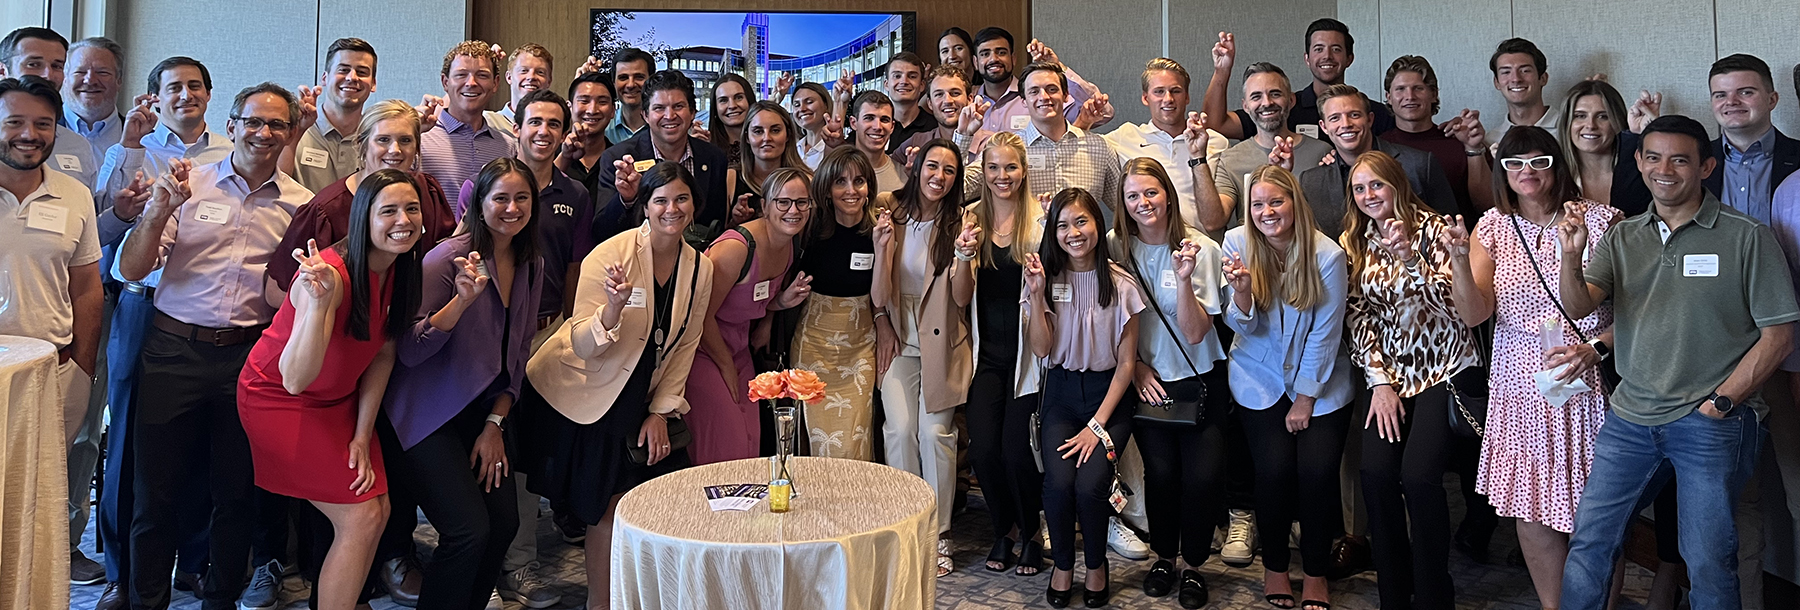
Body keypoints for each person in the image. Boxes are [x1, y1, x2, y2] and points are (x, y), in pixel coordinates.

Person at [1557, 115, 1797, 610]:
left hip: (1709, 423)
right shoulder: (1624, 237)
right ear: (1639, 164)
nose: (1664, 170)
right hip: (1629, 417)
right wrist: (1570, 255)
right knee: (1590, 545)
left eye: (1680, 159)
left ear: (1706, 166)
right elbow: (1581, 306)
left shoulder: (1746, 236)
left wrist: (1721, 403)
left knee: (1708, 559)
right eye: (1653, 157)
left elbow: (1779, 335)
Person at [116, 82, 312, 610]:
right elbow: (131, 269)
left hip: (248, 361)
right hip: (172, 351)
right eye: (253, 121)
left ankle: (220, 600)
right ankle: (146, 601)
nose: (264, 132)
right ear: (232, 126)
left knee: (236, 496)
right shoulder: (187, 183)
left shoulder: (302, 205)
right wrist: (158, 209)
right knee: (155, 495)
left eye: (276, 124)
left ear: (291, 132)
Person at [1440, 126, 1619, 610]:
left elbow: (1640, 312)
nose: (1527, 173)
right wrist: (1458, 260)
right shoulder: (1493, 226)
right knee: (1532, 507)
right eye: (1515, 164)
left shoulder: (1601, 221)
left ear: (1558, 165)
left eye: (1539, 162)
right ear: (1502, 171)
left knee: (1597, 516)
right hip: (1518, 382)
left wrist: (1598, 347)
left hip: (1584, 380)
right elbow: (1475, 313)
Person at [519, 161, 711, 610]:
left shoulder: (699, 267)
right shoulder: (611, 255)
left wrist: (661, 412)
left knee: (664, 497)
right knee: (608, 506)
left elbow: (686, 345)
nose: (671, 209)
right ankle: (599, 604)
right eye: (660, 200)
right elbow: (583, 344)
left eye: (681, 199)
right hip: (590, 391)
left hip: (645, 392)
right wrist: (612, 310)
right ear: (644, 205)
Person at [236, 169, 423, 610]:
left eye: (411, 209)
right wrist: (317, 304)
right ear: (363, 219)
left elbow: (382, 354)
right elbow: (295, 378)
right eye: (389, 211)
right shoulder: (328, 277)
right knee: (360, 518)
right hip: (279, 400)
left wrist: (362, 433)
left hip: (338, 402)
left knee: (377, 512)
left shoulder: (401, 267)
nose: (404, 220)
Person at [381, 158, 543, 610]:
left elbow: (519, 352)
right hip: (425, 415)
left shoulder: (532, 262)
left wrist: (496, 423)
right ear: (479, 203)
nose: (511, 208)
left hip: (485, 412)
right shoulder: (445, 259)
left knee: (502, 524)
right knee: (467, 530)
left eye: (522, 198)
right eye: (501, 198)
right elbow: (409, 350)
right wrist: (459, 303)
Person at [455, 89, 591, 609]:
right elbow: (463, 250)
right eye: (535, 121)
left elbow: (575, 265)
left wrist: (571, 327)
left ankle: (519, 564)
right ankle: (483, 564)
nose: (544, 132)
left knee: (523, 450)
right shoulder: (483, 183)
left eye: (555, 124)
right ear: (518, 125)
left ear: (563, 132)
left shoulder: (574, 193)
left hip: (547, 332)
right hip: (487, 329)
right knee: (484, 437)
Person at [1340, 151, 1482, 610]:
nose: (1368, 197)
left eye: (1376, 186)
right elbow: (1358, 317)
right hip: (1391, 376)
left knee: (1419, 478)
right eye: (1359, 189)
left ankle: (1435, 593)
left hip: (1446, 367)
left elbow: (1458, 311)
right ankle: (1394, 594)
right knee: (1375, 473)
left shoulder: (1437, 229)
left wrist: (1411, 261)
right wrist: (1379, 382)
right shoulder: (1354, 239)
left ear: (1397, 183)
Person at [1221, 165, 1352, 610]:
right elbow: (1241, 324)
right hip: (1258, 379)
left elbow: (1325, 334)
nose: (1267, 211)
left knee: (1315, 476)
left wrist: (1305, 398)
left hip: (1319, 385)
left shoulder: (1327, 255)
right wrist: (1241, 294)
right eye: (1258, 204)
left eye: (1276, 201)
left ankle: (1315, 573)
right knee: (1273, 474)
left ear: (1295, 203)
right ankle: (1275, 568)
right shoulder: (1237, 244)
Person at [0, 74, 104, 591]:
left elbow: (86, 286)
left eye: (42, 123)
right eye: (15, 121)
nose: (29, 133)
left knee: (35, 495)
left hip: (52, 370)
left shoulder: (75, 194)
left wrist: (83, 368)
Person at [1111, 159, 1229, 608]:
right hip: (1148, 382)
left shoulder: (1200, 248)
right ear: (1122, 204)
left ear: (1168, 194)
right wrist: (1137, 366)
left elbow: (1196, 331)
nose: (1144, 204)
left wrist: (1183, 280)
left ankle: (1195, 565)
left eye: (1151, 193)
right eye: (1133, 196)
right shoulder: (1115, 249)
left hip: (1199, 381)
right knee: (1160, 476)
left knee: (1201, 480)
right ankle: (1165, 556)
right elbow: (1109, 322)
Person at [1023, 187, 1144, 608]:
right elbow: (1041, 349)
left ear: (1098, 223)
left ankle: (1096, 565)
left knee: (1091, 486)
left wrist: (1097, 426)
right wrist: (1037, 296)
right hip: (1059, 395)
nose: (1073, 233)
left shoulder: (1122, 283)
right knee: (1058, 484)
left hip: (1107, 398)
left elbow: (1128, 366)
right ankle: (1062, 564)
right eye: (1063, 225)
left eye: (1081, 222)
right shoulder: (1046, 278)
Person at [872, 139, 973, 577]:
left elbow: (962, 296)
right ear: (916, 166)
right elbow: (878, 295)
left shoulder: (963, 220)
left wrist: (965, 257)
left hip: (942, 338)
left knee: (935, 434)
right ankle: (905, 524)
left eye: (949, 171)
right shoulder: (887, 210)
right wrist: (881, 250)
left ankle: (940, 532)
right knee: (898, 431)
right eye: (933, 166)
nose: (939, 177)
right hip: (898, 334)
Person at [683, 167, 813, 465]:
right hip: (702, 353)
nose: (793, 210)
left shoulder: (789, 242)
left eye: (801, 202)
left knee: (750, 442)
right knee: (723, 445)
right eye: (783, 202)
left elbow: (758, 299)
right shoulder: (736, 248)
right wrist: (726, 365)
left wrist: (781, 302)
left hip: (740, 350)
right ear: (764, 205)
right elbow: (698, 313)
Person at [959, 132, 1046, 576]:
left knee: (1016, 452)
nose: (1001, 176)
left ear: (1024, 170)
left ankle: (1031, 531)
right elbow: (960, 297)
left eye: (1010, 167)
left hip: (1029, 358)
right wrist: (961, 257)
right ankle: (1004, 528)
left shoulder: (1041, 220)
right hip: (987, 356)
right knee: (983, 452)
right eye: (993, 167)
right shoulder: (970, 220)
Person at [269, 100, 458, 298]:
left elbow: (445, 259)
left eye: (405, 140)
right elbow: (275, 293)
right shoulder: (327, 209)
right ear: (362, 144)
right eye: (383, 140)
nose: (395, 150)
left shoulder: (429, 193)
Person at [790, 147, 889, 460]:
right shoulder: (810, 229)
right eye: (840, 182)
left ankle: (857, 508)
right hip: (814, 344)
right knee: (817, 440)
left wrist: (882, 249)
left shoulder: (879, 229)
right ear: (826, 189)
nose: (851, 191)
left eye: (859, 181)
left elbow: (881, 299)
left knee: (854, 439)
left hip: (860, 345)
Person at [96, 56, 234, 244]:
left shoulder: (230, 153)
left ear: (208, 94)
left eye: (194, 86)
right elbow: (103, 224)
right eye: (175, 88)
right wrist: (131, 144)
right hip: (143, 270)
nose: (186, 96)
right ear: (154, 99)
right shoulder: (126, 152)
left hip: (209, 266)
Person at [968, 62, 1123, 226]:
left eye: (1052, 89)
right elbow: (963, 188)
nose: (1044, 97)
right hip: (1027, 248)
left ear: (1065, 96)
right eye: (1034, 91)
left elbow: (1123, 207)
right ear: (1023, 101)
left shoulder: (1099, 147)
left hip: (1081, 246)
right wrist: (963, 134)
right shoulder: (1008, 149)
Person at [1295, 85, 1459, 238]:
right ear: (1324, 127)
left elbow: (1450, 232)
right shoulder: (1311, 183)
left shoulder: (1420, 165)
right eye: (1335, 118)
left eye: (1354, 115)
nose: (1345, 124)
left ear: (1370, 119)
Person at [589, 69, 730, 242]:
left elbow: (716, 225)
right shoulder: (617, 158)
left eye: (678, 106)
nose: (670, 116)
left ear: (692, 112)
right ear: (645, 115)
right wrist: (626, 199)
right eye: (659, 108)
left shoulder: (714, 158)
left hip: (696, 260)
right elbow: (601, 232)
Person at [1201, 21, 1394, 140]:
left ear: (1349, 59)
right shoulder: (1283, 107)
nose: (1327, 56)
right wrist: (1222, 70)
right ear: (1307, 59)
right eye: (1318, 49)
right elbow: (1215, 125)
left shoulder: (1373, 112)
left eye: (1336, 49)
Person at [1103, 58, 1231, 233]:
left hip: (1206, 252)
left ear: (1187, 97)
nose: (1168, 99)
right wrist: (1063, 70)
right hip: (1147, 253)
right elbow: (1081, 143)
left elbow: (1217, 220)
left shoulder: (1216, 142)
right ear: (1145, 98)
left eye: (1175, 91)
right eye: (1159, 92)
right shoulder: (1124, 137)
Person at [1206, 60, 1332, 232]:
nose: (1266, 102)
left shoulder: (1322, 152)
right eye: (1256, 96)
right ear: (1246, 106)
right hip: (1254, 257)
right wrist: (1196, 158)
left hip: (1312, 255)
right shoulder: (1231, 159)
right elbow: (1214, 221)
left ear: (1291, 100)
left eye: (1275, 94)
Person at [1381, 55, 1496, 216]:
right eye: (1400, 89)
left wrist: (1473, 147)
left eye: (1418, 88)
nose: (1409, 96)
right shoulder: (1378, 147)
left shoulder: (1459, 142)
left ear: (1433, 94)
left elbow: (1489, 208)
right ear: (1389, 97)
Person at [418, 41, 516, 207]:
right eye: (461, 75)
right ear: (445, 82)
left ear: (496, 83)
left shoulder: (508, 147)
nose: (471, 83)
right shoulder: (420, 141)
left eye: (482, 75)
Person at [1704, 54, 1799, 224]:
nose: (1731, 102)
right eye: (1720, 95)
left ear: (1772, 100)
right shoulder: (1696, 160)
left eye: (1745, 92)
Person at [0, 28, 98, 189]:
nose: (48, 75)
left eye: (57, 66)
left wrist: (119, 214)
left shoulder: (77, 145)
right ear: (3, 70)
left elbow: (86, 212)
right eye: (34, 64)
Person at [970, 27, 1113, 135]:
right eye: (985, 54)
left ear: (1013, 59)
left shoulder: (1040, 98)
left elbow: (1104, 113)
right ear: (976, 62)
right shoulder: (968, 102)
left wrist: (1058, 68)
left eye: (1001, 52)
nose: (994, 59)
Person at [282, 38, 378, 193]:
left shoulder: (377, 138)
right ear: (325, 78)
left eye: (361, 72)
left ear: (373, 83)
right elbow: (274, 187)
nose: (352, 77)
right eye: (343, 70)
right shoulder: (296, 129)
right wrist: (297, 130)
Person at [1558, 79, 1657, 216]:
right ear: (1566, 123)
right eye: (1580, 116)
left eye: (1602, 117)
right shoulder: (1552, 176)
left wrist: (1649, 133)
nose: (1591, 125)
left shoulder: (1641, 171)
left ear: (1616, 120)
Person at [891, 65, 994, 168]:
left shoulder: (991, 143)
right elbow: (883, 167)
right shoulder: (917, 142)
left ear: (970, 98)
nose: (948, 101)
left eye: (955, 93)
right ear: (930, 103)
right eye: (939, 94)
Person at [729, 101, 806, 224]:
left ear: (788, 135)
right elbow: (717, 237)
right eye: (758, 131)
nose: (767, 138)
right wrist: (735, 221)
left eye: (775, 130)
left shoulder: (806, 181)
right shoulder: (731, 178)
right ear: (747, 137)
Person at [61, 37, 125, 163]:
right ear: (65, 79)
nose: (90, 80)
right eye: (80, 72)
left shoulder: (146, 140)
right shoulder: (38, 133)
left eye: (102, 72)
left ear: (119, 81)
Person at [1486, 39, 1558, 145]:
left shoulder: (1571, 130)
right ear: (1496, 83)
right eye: (1506, 72)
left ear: (1543, 78)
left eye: (1525, 71)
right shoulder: (1491, 140)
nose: (1516, 79)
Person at [558, 71, 616, 196]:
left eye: (602, 102)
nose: (592, 110)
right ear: (569, 107)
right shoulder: (550, 153)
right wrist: (564, 158)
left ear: (613, 110)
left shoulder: (619, 160)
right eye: (584, 101)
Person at [846, 90, 905, 193]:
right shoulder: (838, 171)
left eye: (884, 120)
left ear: (892, 127)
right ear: (854, 123)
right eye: (869, 118)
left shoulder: (905, 176)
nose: (877, 127)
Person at [487, 43, 552, 136]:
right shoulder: (489, 122)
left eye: (540, 72)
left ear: (549, 81)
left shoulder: (553, 127)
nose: (531, 77)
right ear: (509, 77)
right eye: (524, 71)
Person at [883, 53, 937, 153]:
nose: (904, 81)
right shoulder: (876, 127)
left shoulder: (935, 127)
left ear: (922, 85)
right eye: (897, 76)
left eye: (912, 76)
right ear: (886, 84)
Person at [703, 73, 754, 166]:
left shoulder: (764, 142)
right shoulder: (707, 147)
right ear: (715, 108)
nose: (732, 106)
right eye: (723, 100)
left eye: (739, 97)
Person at [605, 48, 655, 145]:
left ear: (651, 82)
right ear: (614, 83)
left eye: (639, 77)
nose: (630, 85)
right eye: (623, 78)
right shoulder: (603, 127)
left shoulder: (665, 126)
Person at [789, 81, 833, 168]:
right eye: (797, 105)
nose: (802, 109)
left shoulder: (834, 148)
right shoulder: (791, 149)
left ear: (826, 105)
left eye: (809, 102)